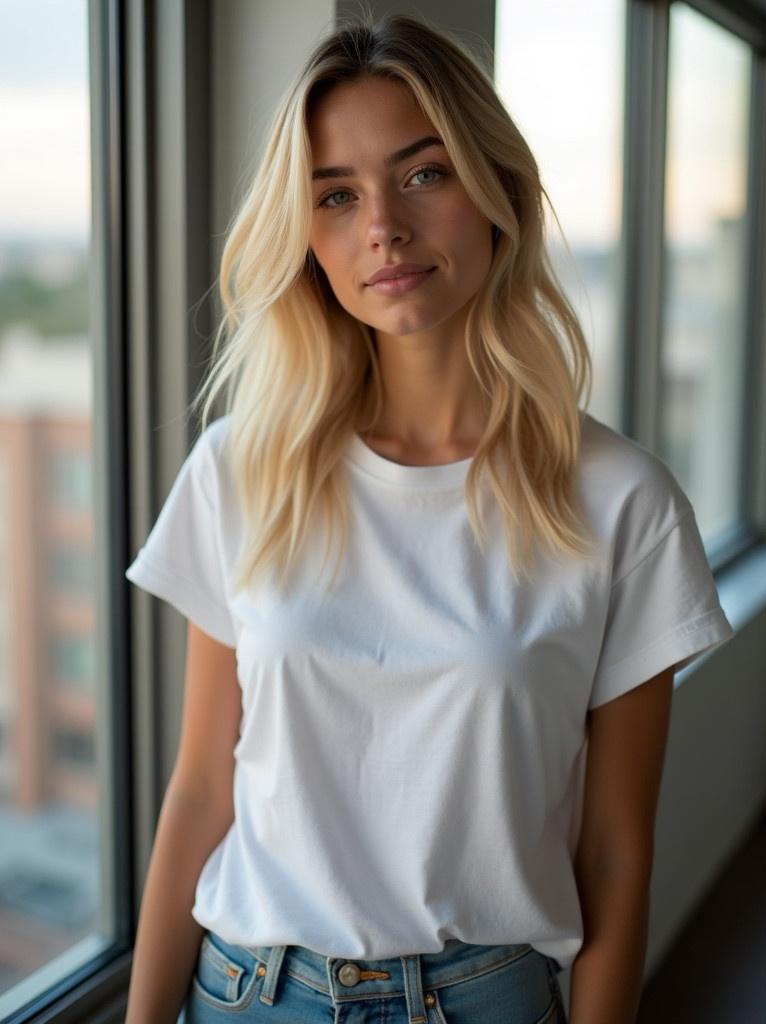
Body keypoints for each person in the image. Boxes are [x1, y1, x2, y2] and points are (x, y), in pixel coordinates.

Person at [123, 11, 735, 1024]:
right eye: (336, 194)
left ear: (499, 193)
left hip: (483, 998)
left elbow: (618, 854)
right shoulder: (242, 467)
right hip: (246, 991)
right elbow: (198, 790)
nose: (384, 229)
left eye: (424, 173)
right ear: (306, 235)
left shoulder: (623, 501)